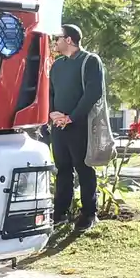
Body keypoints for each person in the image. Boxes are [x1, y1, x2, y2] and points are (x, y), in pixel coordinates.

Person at [48, 24, 105, 230]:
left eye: (58, 38)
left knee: (84, 168)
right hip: (59, 126)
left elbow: (93, 93)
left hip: (80, 125)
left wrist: (71, 117)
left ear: (69, 40)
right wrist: (53, 114)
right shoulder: (57, 65)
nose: (55, 42)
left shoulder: (90, 61)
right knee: (62, 169)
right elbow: (50, 92)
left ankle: (89, 214)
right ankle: (60, 213)